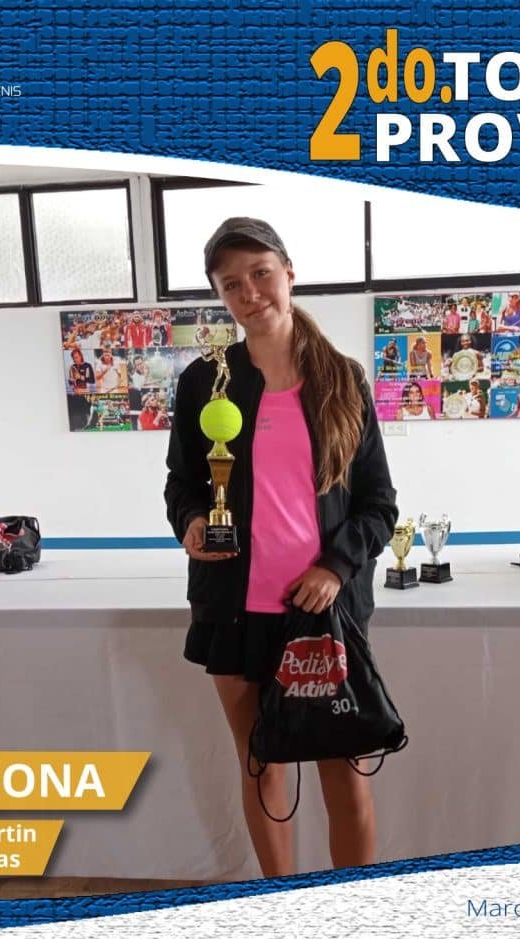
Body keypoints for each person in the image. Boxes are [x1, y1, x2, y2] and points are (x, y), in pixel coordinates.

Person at [164, 217, 398, 879]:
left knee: (343, 768)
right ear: (220, 295)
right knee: (260, 763)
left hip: (325, 615)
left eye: (261, 274)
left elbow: (379, 504)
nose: (249, 293)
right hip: (233, 611)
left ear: (288, 274)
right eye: (231, 284)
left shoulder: (343, 380)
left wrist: (336, 566)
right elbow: (183, 483)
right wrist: (190, 522)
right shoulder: (204, 382)